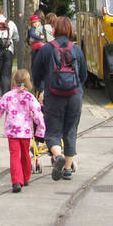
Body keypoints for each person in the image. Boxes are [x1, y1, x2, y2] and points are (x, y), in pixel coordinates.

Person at [31, 16, 87, 181]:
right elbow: (83, 75)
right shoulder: (76, 50)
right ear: (71, 30)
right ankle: (68, 169)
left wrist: (41, 90)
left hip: (54, 95)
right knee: (71, 131)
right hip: (74, 95)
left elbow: (36, 74)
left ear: (54, 30)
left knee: (52, 131)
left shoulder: (46, 49)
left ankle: (57, 156)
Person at [0, 69, 46, 193]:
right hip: (26, 132)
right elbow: (38, 114)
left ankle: (16, 180)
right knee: (25, 154)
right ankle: (25, 177)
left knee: (14, 155)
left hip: (12, 131)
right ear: (28, 82)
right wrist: (41, 130)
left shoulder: (8, 96)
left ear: (13, 81)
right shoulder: (30, 97)